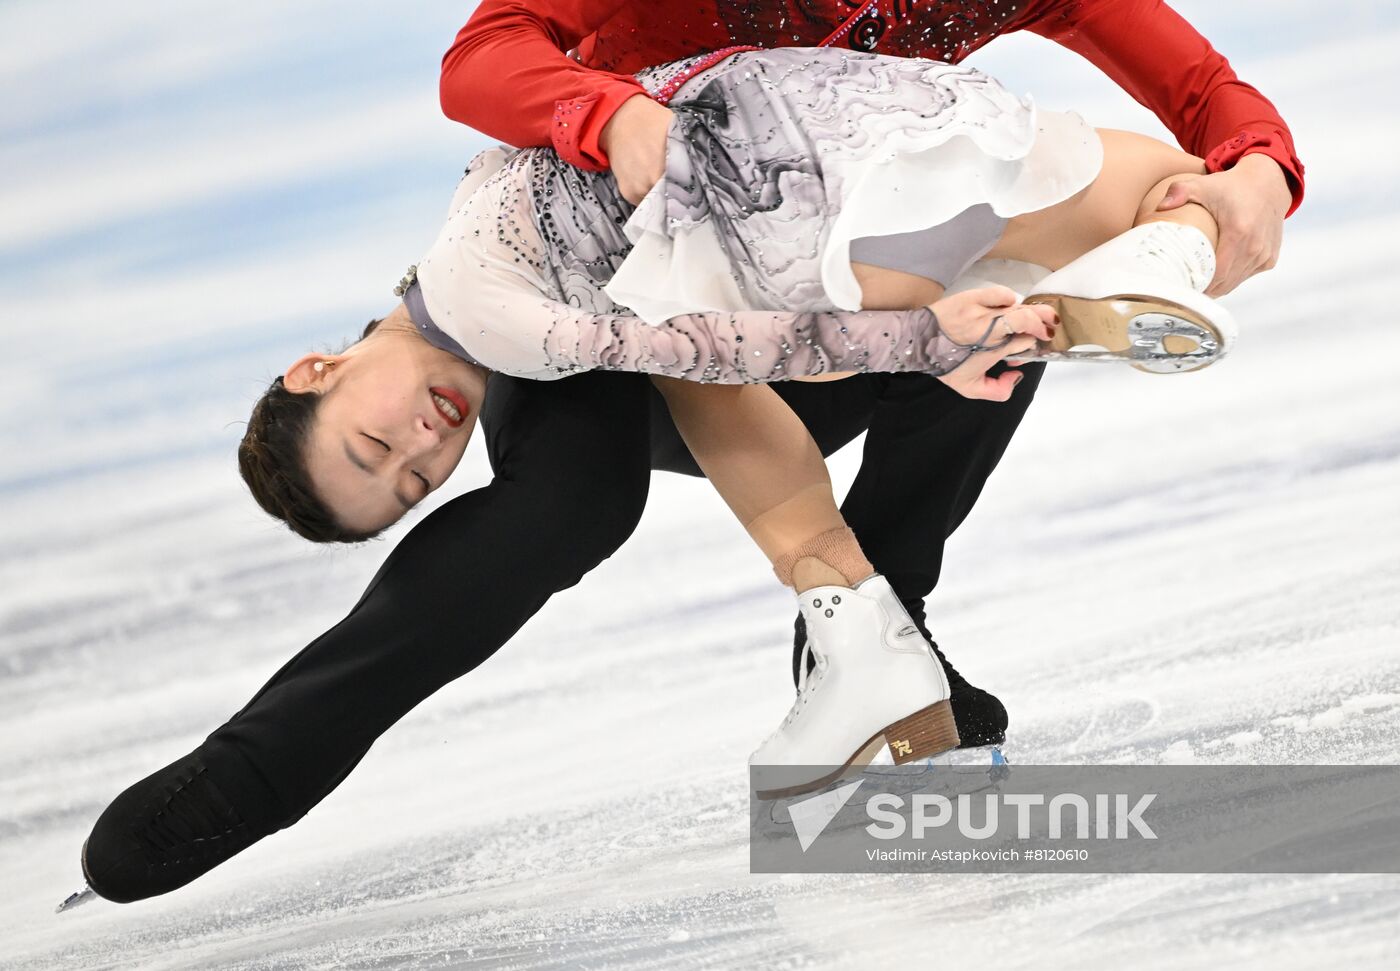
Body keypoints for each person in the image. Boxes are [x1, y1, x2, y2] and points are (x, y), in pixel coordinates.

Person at [65, 3, 1303, 909]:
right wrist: (609, 114)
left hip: (818, 276)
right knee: (571, 501)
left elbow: (1205, 91)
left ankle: (877, 632)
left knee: (1001, 294)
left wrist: (1254, 174)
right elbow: (483, 54)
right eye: (399, 466)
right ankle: (255, 766)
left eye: (388, 449)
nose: (419, 449)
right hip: (612, 300)